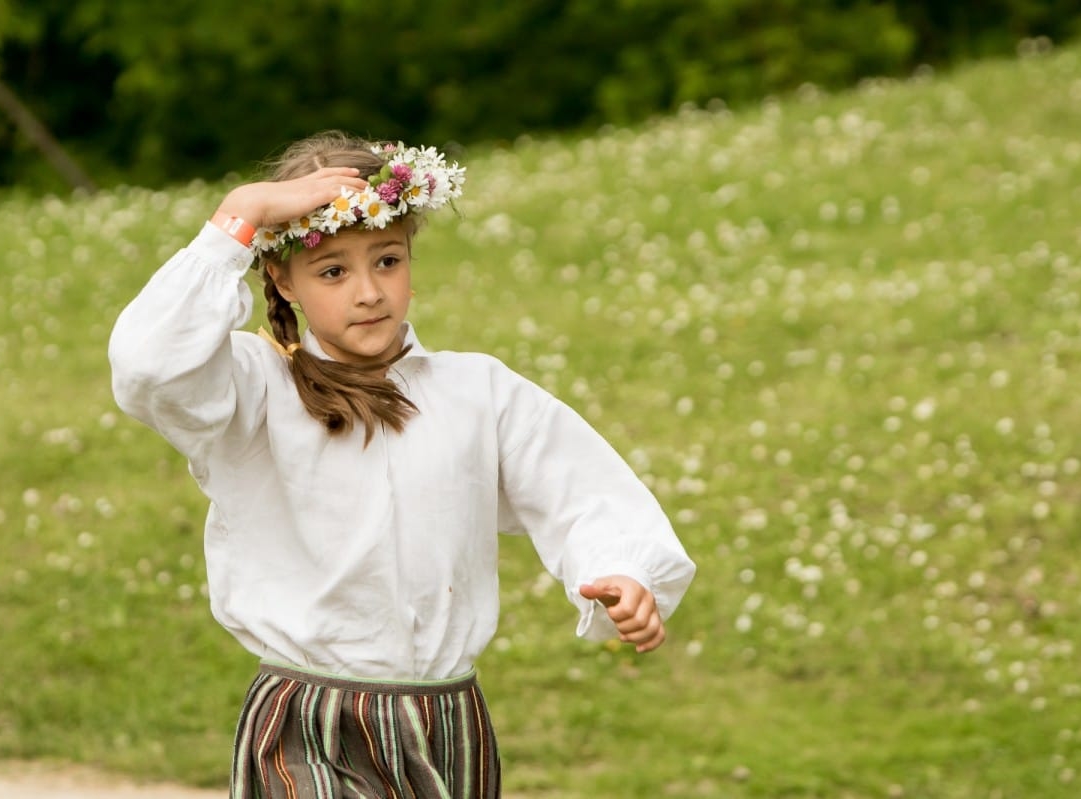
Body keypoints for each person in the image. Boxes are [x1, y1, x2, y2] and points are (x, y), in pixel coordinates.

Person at [108, 130, 696, 799]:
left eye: (387, 261)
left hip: (449, 722)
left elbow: (578, 486)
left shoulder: (478, 391)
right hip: (307, 723)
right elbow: (147, 367)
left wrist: (617, 568)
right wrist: (241, 215)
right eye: (333, 271)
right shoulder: (252, 388)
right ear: (283, 277)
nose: (368, 292)